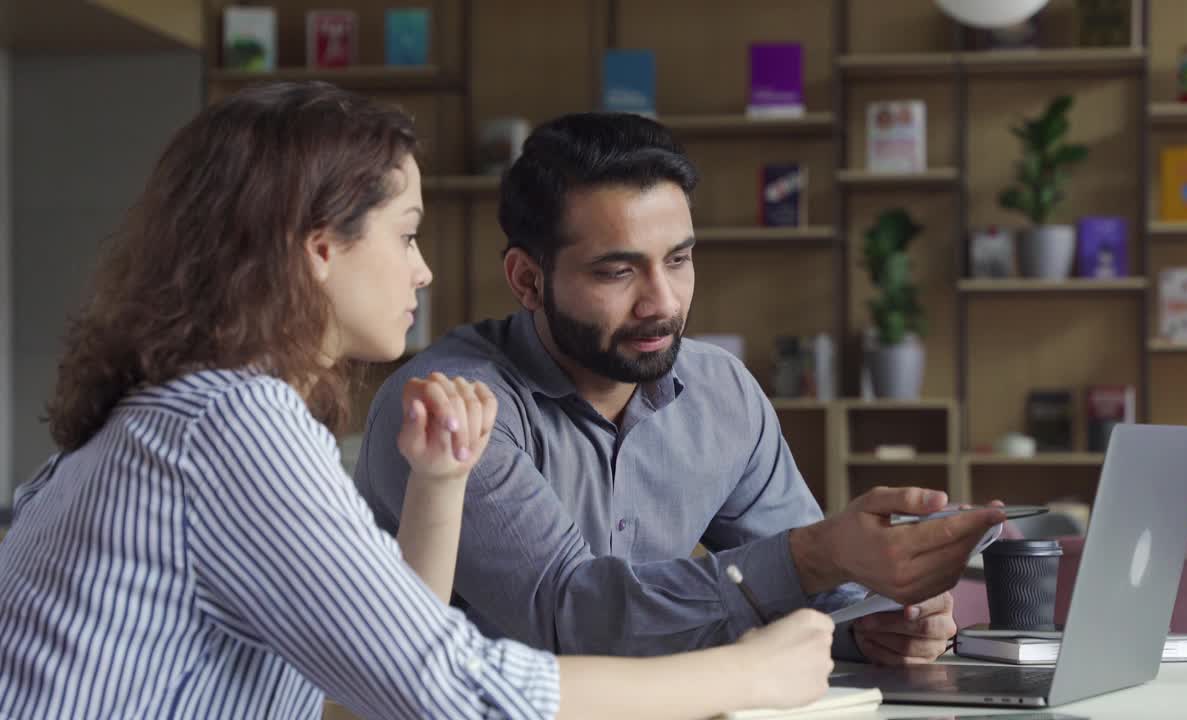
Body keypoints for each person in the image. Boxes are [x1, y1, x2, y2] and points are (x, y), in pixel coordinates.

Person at [0, 83, 838, 720]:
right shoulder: (234, 423)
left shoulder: (179, 410)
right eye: (405, 234)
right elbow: (445, 684)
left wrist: (436, 486)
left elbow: (392, 651)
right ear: (321, 248)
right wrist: (746, 673)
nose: (424, 270)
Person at [354, 112, 1006, 664]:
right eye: (618, 271)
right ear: (527, 280)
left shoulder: (720, 392)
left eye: (679, 259)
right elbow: (569, 620)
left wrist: (870, 627)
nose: (661, 304)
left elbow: (817, 591)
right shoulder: (449, 409)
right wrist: (820, 555)